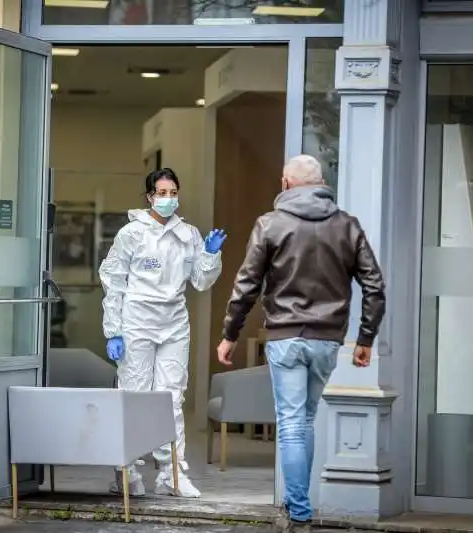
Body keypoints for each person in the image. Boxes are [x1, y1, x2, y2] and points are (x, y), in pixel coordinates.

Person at [215, 155, 385, 532]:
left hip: (285, 337)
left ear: (286, 184)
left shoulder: (270, 224)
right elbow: (374, 284)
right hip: (327, 340)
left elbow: (246, 286)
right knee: (305, 421)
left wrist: (230, 334)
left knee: (292, 424)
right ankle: (299, 504)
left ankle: (298, 510)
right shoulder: (347, 225)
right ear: (321, 183)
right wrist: (365, 338)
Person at [99, 168, 226, 499]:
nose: (169, 198)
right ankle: (127, 471)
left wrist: (211, 254)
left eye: (173, 192)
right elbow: (113, 279)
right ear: (149, 196)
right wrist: (114, 330)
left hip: (174, 323)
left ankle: (173, 473)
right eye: (162, 192)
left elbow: (201, 281)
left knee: (171, 398)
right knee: (134, 395)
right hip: (136, 321)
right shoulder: (132, 234)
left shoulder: (188, 235)